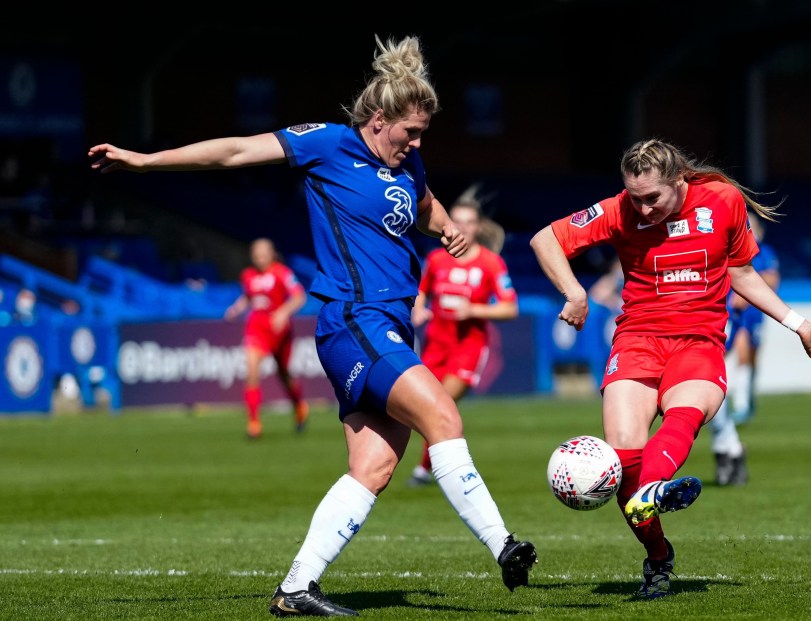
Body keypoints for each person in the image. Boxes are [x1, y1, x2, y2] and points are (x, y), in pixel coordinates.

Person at [89, 34, 537, 617]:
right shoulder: (327, 145)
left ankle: (295, 589)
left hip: (387, 321)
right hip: (355, 317)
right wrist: (146, 162)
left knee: (373, 468)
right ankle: (502, 545)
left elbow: (424, 205)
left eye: (423, 133)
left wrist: (448, 227)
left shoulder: (408, 162)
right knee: (443, 417)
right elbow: (234, 153)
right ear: (379, 120)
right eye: (411, 131)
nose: (418, 142)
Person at [529, 138, 811, 599]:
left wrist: (797, 323)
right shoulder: (618, 210)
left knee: (686, 413)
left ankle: (652, 490)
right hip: (637, 341)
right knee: (624, 461)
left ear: (680, 181)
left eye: (653, 198)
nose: (644, 209)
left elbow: (742, 273)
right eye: (636, 198)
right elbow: (545, 238)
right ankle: (658, 555)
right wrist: (575, 292)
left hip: (699, 341)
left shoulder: (722, 201)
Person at [405, 185, 519, 487]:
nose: (463, 228)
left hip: (469, 346)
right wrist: (418, 310)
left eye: (468, 222)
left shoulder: (491, 263)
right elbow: (421, 291)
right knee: (427, 408)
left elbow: (509, 308)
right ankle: (447, 467)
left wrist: (475, 310)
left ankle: (424, 469)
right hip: (435, 343)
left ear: (478, 226)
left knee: (439, 403)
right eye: (457, 221)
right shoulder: (437, 260)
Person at [224, 237, 309, 439]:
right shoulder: (248, 275)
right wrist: (236, 308)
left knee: (284, 374)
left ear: (272, 254)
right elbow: (248, 296)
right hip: (256, 327)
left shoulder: (283, 272)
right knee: (252, 370)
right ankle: (254, 423)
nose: (259, 257)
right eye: (256, 253)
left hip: (279, 330)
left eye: (263, 253)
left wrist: (283, 312)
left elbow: (299, 297)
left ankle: (299, 407)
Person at [726, 211, 780, 424]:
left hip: (754, 312)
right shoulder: (729, 251)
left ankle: (746, 399)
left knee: (751, 358)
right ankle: (740, 406)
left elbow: (772, 279)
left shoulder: (764, 253)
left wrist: (748, 292)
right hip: (732, 312)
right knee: (738, 352)